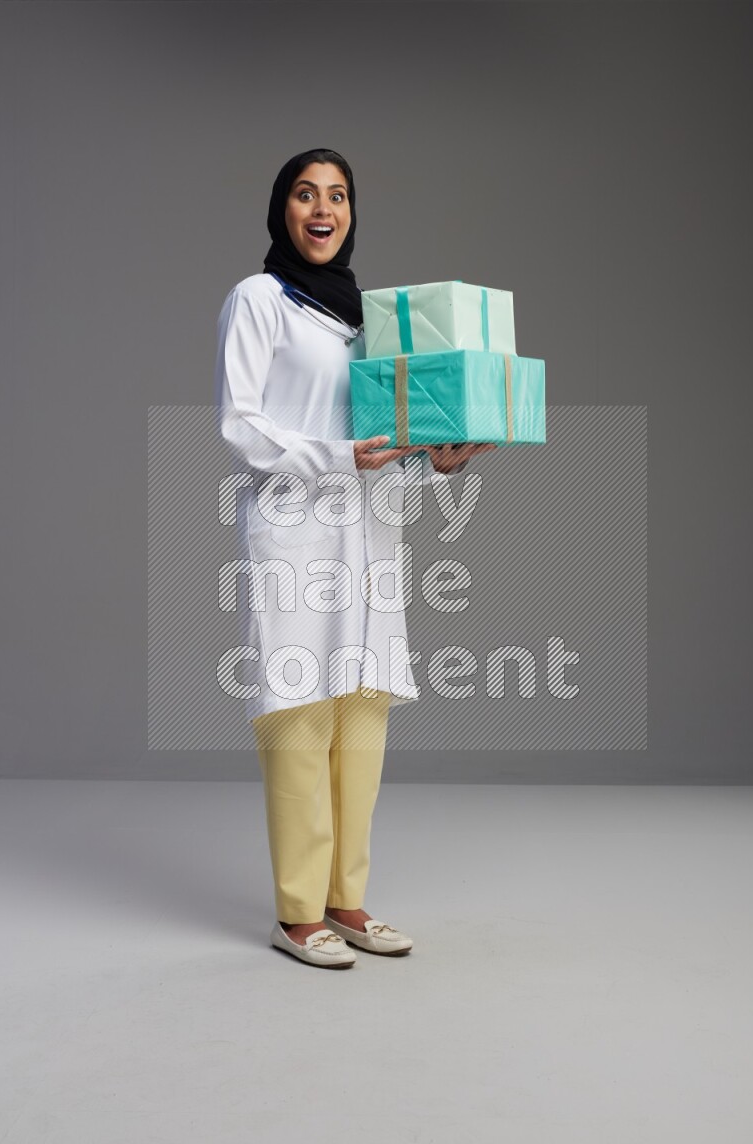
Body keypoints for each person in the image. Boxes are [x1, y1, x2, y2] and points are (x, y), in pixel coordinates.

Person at [215, 147, 496, 969]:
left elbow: (382, 435)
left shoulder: (369, 318)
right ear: (283, 210)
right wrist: (340, 459)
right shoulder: (258, 300)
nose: (322, 208)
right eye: (305, 194)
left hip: (369, 532)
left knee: (361, 717)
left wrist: (432, 462)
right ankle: (298, 912)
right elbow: (239, 425)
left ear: (351, 212)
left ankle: (348, 900)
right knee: (299, 715)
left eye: (337, 195)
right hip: (294, 531)